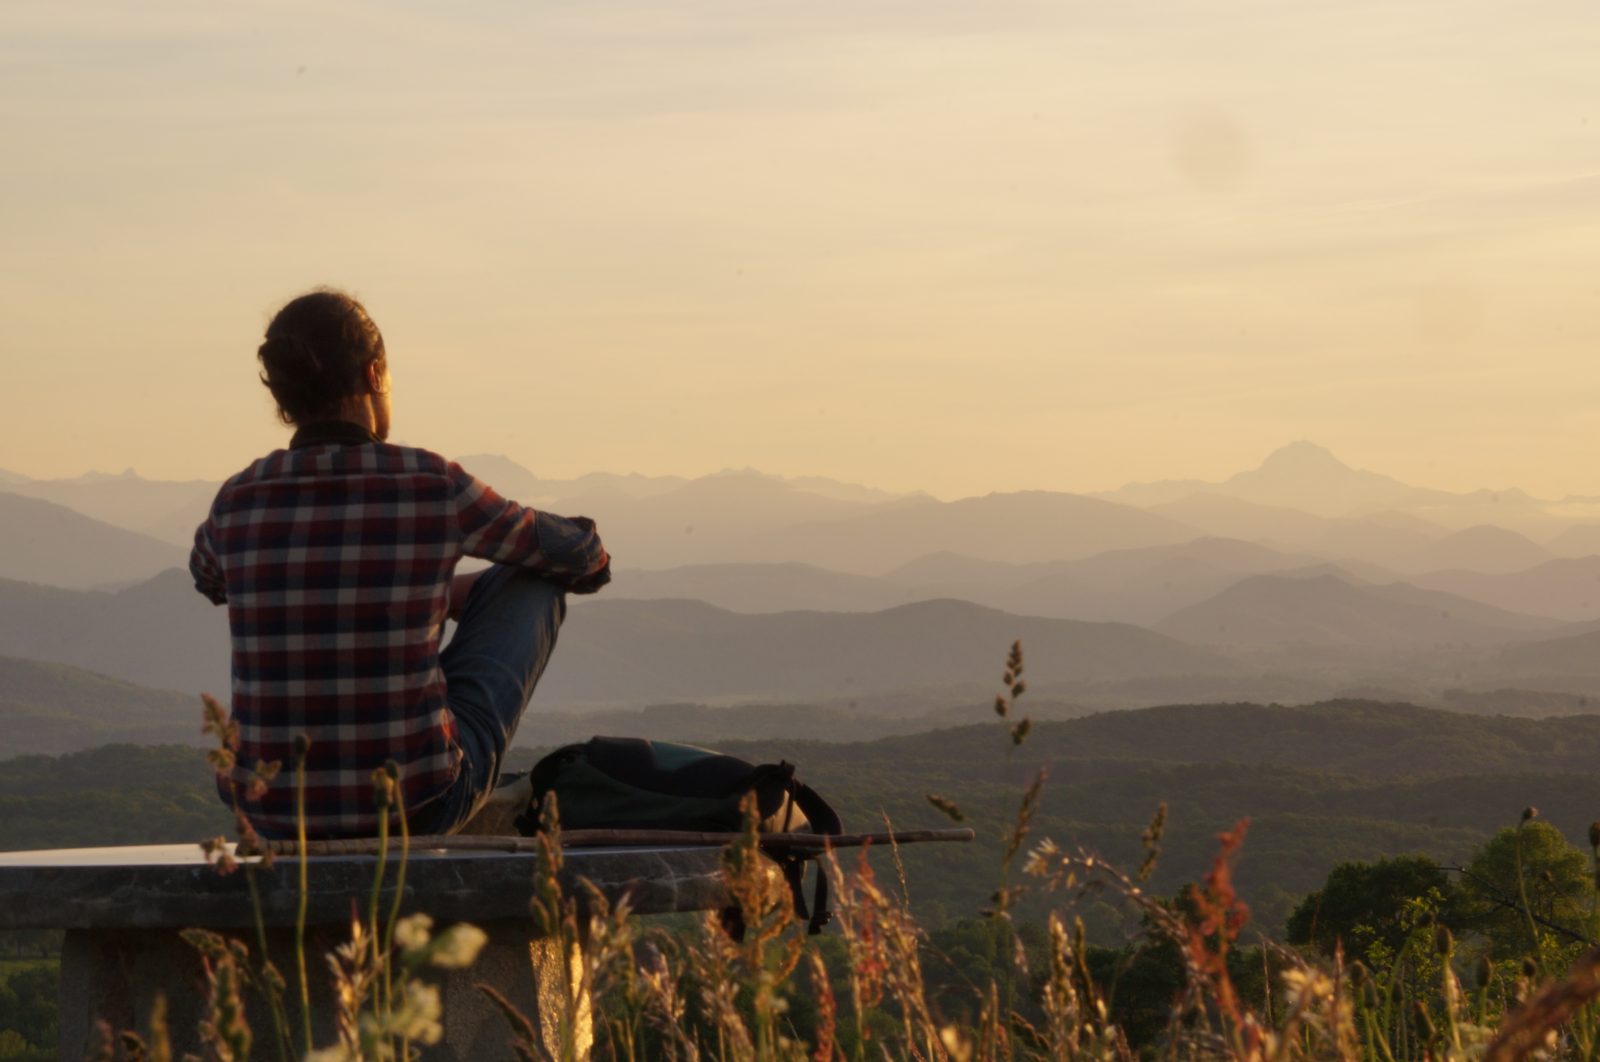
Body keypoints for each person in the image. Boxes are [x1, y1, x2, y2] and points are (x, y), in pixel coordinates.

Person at [189, 288, 609, 839]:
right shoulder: (430, 484)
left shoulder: (237, 499)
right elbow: (582, 561)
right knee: (534, 583)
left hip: (269, 815)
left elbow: (211, 579)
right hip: (416, 807)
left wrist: (437, 588)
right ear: (374, 372)